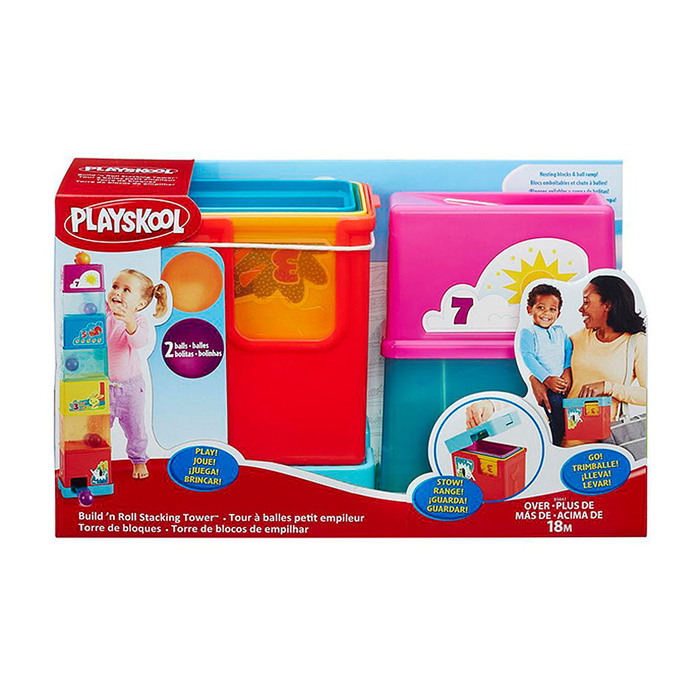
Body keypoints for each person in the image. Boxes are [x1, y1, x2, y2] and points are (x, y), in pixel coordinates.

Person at [530, 275, 646, 447]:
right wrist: (535, 379)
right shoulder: (577, 338)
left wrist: (607, 387)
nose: (580, 309)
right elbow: (546, 360)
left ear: (607, 305)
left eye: (586, 302)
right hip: (562, 441)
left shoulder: (636, 343)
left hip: (605, 445)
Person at [106, 269, 168, 478]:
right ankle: (98, 461)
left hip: (131, 389)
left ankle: (139, 460)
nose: (117, 292)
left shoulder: (139, 321)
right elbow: (87, 298)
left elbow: (138, 341)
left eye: (126, 290)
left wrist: (129, 321)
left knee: (135, 430)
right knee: (97, 430)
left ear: (140, 304)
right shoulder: (104, 314)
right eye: (115, 286)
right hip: (102, 387)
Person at [519, 284, 572, 445]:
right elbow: (528, 357)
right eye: (541, 307)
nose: (546, 313)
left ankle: (564, 439)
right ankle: (556, 443)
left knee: (568, 413)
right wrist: (546, 379)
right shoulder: (529, 332)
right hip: (547, 386)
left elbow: (568, 348)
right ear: (530, 309)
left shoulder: (560, 332)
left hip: (563, 381)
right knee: (554, 410)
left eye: (552, 309)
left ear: (558, 313)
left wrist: (567, 369)